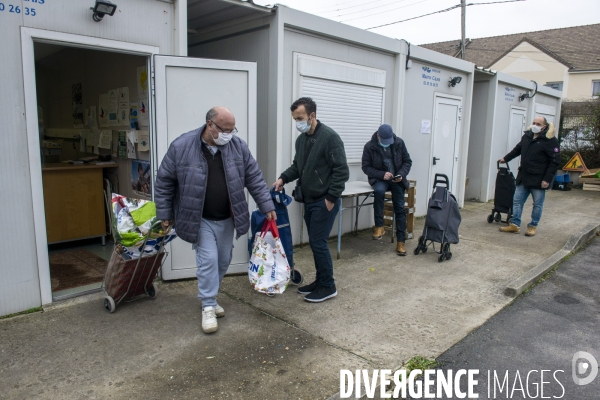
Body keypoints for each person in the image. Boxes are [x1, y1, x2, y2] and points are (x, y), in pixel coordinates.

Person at [154, 106, 276, 333]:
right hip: (199, 217)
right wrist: (165, 213)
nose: (229, 134)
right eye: (225, 129)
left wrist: (266, 204)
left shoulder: (237, 147)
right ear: (210, 124)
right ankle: (208, 305)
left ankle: (211, 297)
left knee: (222, 260)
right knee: (208, 259)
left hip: (227, 217)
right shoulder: (182, 146)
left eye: (233, 129)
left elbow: (254, 176)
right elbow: (164, 181)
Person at [273, 97, 349, 303]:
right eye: (294, 118)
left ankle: (328, 286)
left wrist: (332, 198)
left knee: (318, 243)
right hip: (309, 200)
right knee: (316, 244)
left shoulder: (330, 137)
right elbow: (298, 167)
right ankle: (320, 280)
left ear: (312, 116)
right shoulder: (302, 139)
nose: (297, 122)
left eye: (300, 118)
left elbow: (341, 171)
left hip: (324, 200)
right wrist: (283, 178)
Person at [498, 116, 559, 237]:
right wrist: (506, 158)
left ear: (544, 127)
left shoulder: (550, 141)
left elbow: (555, 162)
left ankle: (533, 226)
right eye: (534, 123)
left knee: (537, 204)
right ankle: (515, 225)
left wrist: (547, 179)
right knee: (517, 201)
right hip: (524, 176)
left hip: (539, 178)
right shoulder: (528, 136)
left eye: (538, 124)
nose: (535, 125)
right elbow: (517, 149)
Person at [361, 124, 412, 255]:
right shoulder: (369, 147)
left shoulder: (399, 143)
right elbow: (366, 167)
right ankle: (379, 226)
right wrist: (381, 174)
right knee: (378, 192)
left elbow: (407, 161)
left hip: (396, 180)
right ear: (378, 136)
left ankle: (401, 242)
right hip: (380, 179)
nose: (388, 143)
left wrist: (401, 174)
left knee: (400, 208)